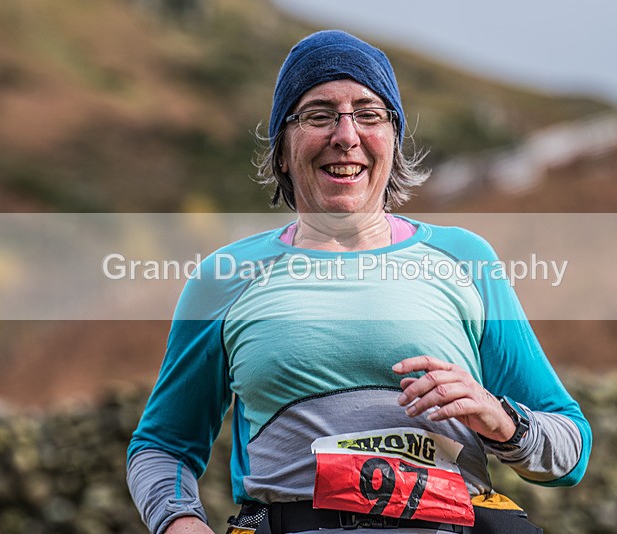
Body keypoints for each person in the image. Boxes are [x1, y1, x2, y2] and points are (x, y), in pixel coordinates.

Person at [127, 30, 591, 534]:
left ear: (393, 141)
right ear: (282, 148)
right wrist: (179, 523)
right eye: (318, 115)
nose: (346, 136)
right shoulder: (225, 278)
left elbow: (570, 451)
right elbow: (163, 446)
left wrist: (500, 418)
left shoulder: (466, 260)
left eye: (369, 115)